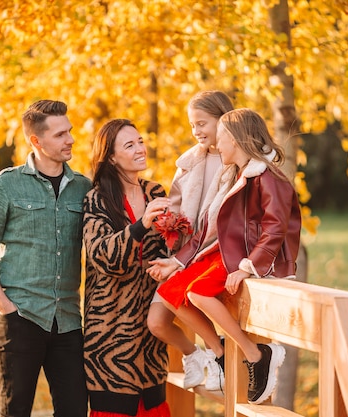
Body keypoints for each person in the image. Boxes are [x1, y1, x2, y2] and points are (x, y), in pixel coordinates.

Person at [147, 108, 302, 405]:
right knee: (171, 291)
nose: (218, 146)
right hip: (227, 252)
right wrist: (178, 262)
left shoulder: (268, 177)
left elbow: (276, 227)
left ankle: (256, 354)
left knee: (199, 294)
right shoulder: (233, 176)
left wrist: (247, 267)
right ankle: (220, 354)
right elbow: (208, 226)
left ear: (237, 139)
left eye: (221, 139)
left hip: (247, 257)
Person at [0, 100, 91, 417]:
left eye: (70, 132)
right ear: (36, 141)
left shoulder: (84, 188)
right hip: (20, 318)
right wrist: (5, 307)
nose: (70, 140)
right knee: (16, 410)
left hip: (67, 320)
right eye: (60, 134)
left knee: (75, 410)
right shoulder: (6, 184)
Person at [83, 118, 172, 417]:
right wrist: (141, 224)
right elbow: (103, 256)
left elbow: (168, 250)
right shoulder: (97, 200)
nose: (140, 149)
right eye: (129, 145)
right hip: (110, 341)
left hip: (150, 342)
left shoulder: (156, 193)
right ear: (111, 157)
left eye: (141, 141)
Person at [146, 90, 234, 392]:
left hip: (210, 254)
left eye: (202, 123)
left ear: (223, 120)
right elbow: (175, 204)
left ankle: (219, 355)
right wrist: (167, 221)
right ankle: (202, 355)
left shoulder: (234, 161)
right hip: (184, 251)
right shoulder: (189, 163)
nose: (196, 131)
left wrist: (178, 261)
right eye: (192, 125)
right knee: (156, 321)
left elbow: (219, 224)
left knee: (179, 296)